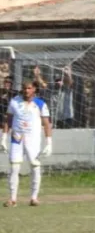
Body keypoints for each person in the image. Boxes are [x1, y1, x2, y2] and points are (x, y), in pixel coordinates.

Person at [2, 79, 52, 207]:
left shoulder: (40, 104)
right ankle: (12, 199)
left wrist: (49, 142)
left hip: (33, 139)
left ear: (34, 89)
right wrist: (3, 138)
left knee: (35, 166)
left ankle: (34, 198)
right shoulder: (14, 101)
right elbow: (8, 120)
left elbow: (46, 124)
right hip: (17, 138)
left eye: (29, 88)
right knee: (14, 167)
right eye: (24, 88)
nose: (26, 90)